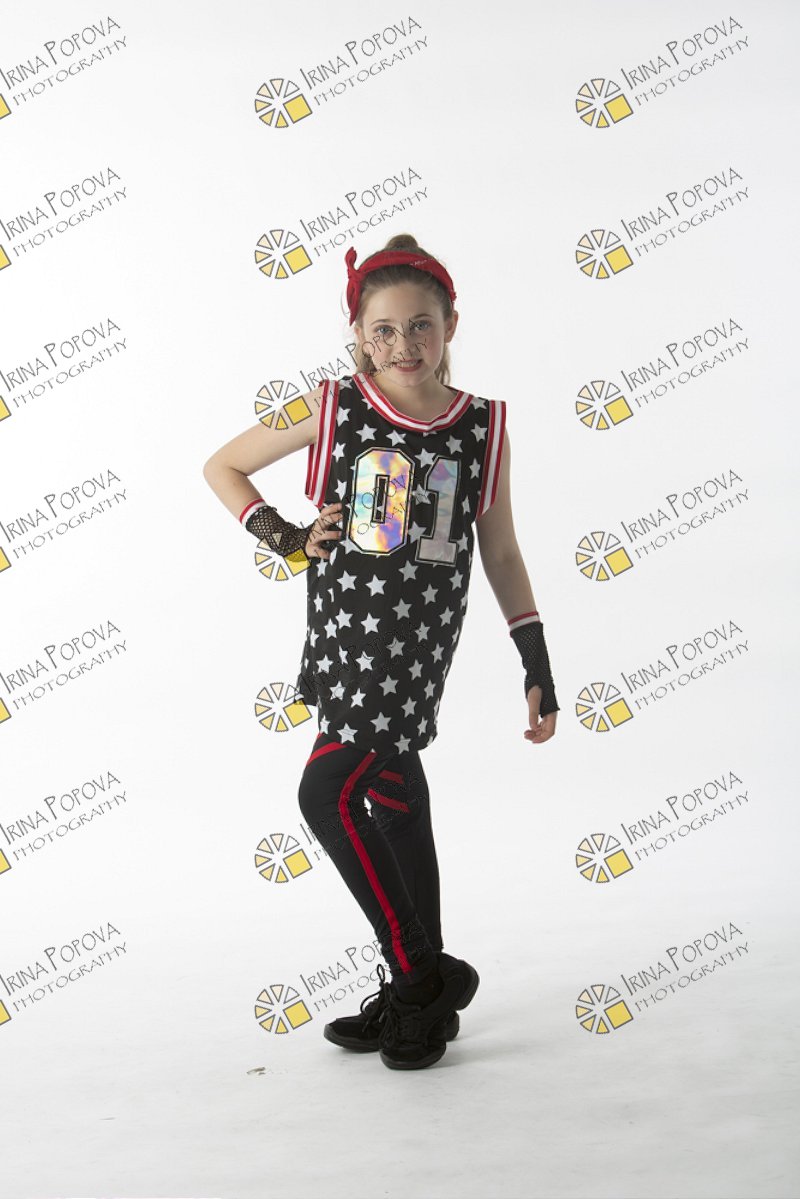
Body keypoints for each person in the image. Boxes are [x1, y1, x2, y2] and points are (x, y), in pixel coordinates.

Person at [202, 233, 559, 1071]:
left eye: (421, 325)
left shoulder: (483, 428)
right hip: (342, 639)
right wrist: (288, 537)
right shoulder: (332, 405)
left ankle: (419, 977)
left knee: (325, 792)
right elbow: (224, 466)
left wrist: (534, 657)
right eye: (385, 329)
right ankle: (421, 986)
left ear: (450, 325)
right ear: (360, 334)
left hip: (413, 648)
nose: (404, 344)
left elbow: (502, 551)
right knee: (393, 795)